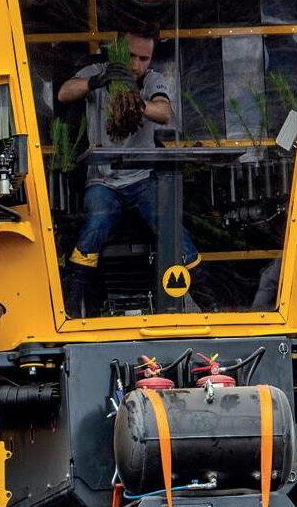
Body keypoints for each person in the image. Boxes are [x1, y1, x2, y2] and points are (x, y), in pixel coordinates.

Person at [56, 32, 198, 315]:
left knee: (171, 226)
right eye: (131, 56)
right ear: (118, 50)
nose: (136, 64)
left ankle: (207, 296)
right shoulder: (97, 71)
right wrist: (97, 81)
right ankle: (71, 303)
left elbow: (164, 112)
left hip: (142, 179)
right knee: (95, 226)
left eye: (144, 58)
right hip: (103, 181)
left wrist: (135, 102)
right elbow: (64, 93)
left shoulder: (152, 80)